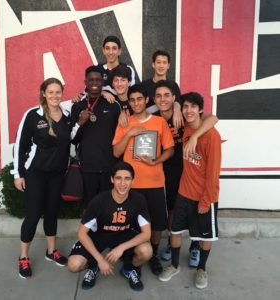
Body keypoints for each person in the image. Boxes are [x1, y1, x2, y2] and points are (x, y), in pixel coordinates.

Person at [158, 92, 221, 290]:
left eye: (193, 107)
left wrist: (207, 200)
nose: (189, 110)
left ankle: (201, 269)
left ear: (200, 109)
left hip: (204, 195)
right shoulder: (185, 127)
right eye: (186, 107)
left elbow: (213, 173)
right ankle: (174, 265)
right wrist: (177, 108)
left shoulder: (211, 136)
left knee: (205, 236)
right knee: (175, 231)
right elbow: (188, 115)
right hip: (184, 192)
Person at [11, 78, 70, 279]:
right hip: (35, 173)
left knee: (52, 213)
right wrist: (18, 174)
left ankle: (51, 251)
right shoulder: (32, 115)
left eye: (58, 92)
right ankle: (23, 257)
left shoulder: (67, 115)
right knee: (34, 214)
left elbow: (69, 138)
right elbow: (19, 145)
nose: (55, 96)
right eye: (50, 92)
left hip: (57, 174)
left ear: (62, 93)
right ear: (43, 93)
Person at [112, 84, 174, 276]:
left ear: (147, 100)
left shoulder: (159, 122)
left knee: (156, 224)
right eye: (132, 100)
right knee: (132, 224)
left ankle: (152, 255)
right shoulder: (124, 122)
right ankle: (134, 257)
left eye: (140, 99)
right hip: (131, 186)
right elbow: (116, 152)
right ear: (128, 102)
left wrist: (156, 160)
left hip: (154, 182)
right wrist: (129, 133)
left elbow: (170, 149)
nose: (136, 103)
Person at [67, 161, 152, 291]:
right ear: (112, 179)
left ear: (132, 180)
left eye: (127, 178)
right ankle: (93, 266)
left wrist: (122, 248)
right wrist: (100, 259)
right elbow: (82, 233)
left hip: (124, 235)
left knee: (146, 251)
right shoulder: (99, 201)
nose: (123, 183)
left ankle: (128, 269)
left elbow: (146, 234)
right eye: (118, 178)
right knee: (73, 265)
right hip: (99, 236)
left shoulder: (138, 199)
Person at [70, 65, 121, 207]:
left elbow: (120, 135)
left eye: (98, 80)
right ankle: (90, 230)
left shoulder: (113, 104)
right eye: (91, 80)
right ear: (85, 82)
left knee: (108, 206)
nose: (94, 83)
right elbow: (73, 139)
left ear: (103, 82)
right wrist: (80, 122)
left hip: (109, 166)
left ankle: (106, 230)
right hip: (87, 168)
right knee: (90, 207)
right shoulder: (77, 106)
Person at [140, 50, 183, 128]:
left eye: (164, 62)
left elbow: (177, 101)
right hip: (149, 127)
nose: (161, 66)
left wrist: (177, 110)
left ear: (168, 65)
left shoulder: (173, 85)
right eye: (158, 62)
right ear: (153, 64)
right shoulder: (143, 86)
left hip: (170, 128)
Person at [99, 35, 136, 101]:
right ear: (103, 50)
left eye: (114, 48)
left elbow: (133, 93)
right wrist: (102, 92)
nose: (111, 52)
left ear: (119, 51)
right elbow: (88, 91)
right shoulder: (97, 70)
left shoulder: (128, 69)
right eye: (107, 48)